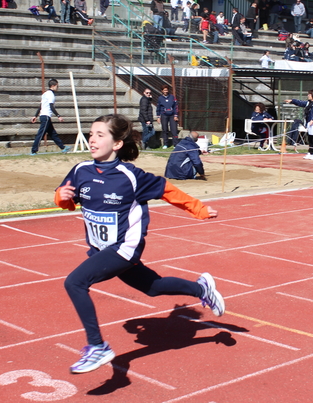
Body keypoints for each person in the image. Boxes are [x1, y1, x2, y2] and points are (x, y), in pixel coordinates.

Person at [53, 114, 223, 373]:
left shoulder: (130, 176)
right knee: (152, 287)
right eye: (91, 134)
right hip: (101, 248)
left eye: (100, 135)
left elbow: (168, 190)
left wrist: (198, 210)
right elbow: (67, 199)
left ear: (117, 143)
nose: (92, 139)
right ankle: (202, 290)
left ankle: (97, 346)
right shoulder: (80, 170)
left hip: (124, 248)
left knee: (75, 282)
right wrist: (61, 197)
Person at [28, 79, 68, 155]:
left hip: (44, 116)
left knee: (53, 134)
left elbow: (41, 106)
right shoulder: (50, 94)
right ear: (53, 86)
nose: (57, 87)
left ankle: (63, 147)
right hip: (46, 117)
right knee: (41, 134)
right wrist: (58, 116)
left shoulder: (45, 94)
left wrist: (35, 116)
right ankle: (34, 151)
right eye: (57, 86)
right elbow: (51, 106)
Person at [285, 89, 313, 160]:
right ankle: (310, 152)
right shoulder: (308, 103)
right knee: (310, 138)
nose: (308, 96)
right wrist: (292, 101)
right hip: (309, 124)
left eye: (309, 94)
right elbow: (301, 103)